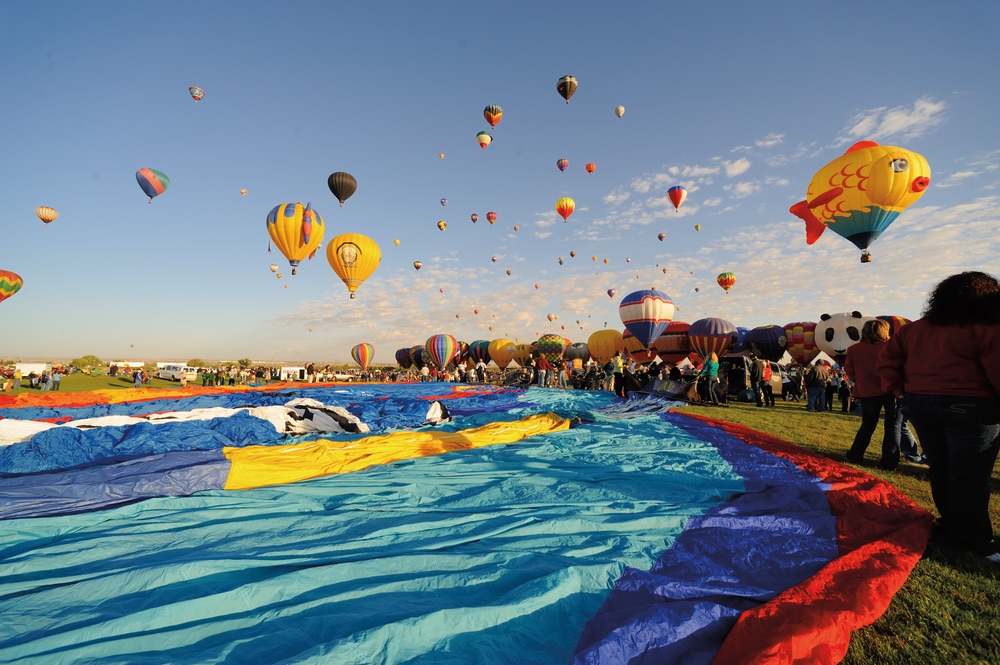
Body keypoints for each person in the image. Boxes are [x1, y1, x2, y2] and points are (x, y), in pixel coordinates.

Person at [877, 271, 1000, 562]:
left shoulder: (914, 329)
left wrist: (899, 391)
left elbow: (887, 359)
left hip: (920, 404)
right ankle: (974, 538)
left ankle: (951, 525)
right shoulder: (986, 328)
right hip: (971, 406)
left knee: (942, 468)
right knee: (970, 475)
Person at [844, 319, 901, 469]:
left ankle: (855, 455)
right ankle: (889, 462)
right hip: (892, 390)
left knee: (868, 425)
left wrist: (859, 378)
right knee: (893, 426)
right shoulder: (891, 347)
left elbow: (849, 370)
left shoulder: (854, 349)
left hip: (868, 391)